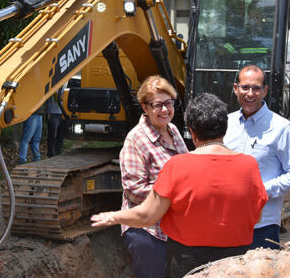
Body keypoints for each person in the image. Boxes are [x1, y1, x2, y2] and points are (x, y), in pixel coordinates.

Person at [91, 93, 268, 278]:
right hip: (235, 264)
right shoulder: (249, 165)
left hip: (187, 263)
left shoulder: (177, 165)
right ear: (225, 127)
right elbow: (256, 217)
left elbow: (147, 216)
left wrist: (114, 216)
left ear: (191, 131)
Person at [119, 75, 188, 278]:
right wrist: (175, 194)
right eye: (157, 105)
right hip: (147, 232)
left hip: (173, 229)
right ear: (145, 107)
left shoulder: (173, 131)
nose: (165, 110)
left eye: (169, 103)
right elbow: (134, 190)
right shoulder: (136, 140)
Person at [224, 64, 290, 249]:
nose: (250, 93)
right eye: (245, 87)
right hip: (227, 223)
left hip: (263, 227)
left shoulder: (281, 128)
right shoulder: (226, 124)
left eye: (256, 88)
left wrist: (261, 190)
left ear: (265, 91)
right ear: (236, 88)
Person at [46, 87, 64, 157]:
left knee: (61, 135)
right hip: (53, 113)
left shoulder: (64, 87)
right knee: (52, 135)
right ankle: (51, 154)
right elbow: (60, 97)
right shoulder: (53, 87)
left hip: (63, 113)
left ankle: (58, 152)